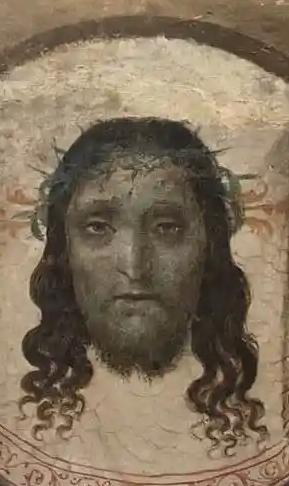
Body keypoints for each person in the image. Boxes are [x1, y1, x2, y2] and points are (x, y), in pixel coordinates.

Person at [18, 117, 268, 456]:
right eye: (97, 227)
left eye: (167, 228)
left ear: (209, 244)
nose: (134, 267)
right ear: (64, 248)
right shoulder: (31, 424)